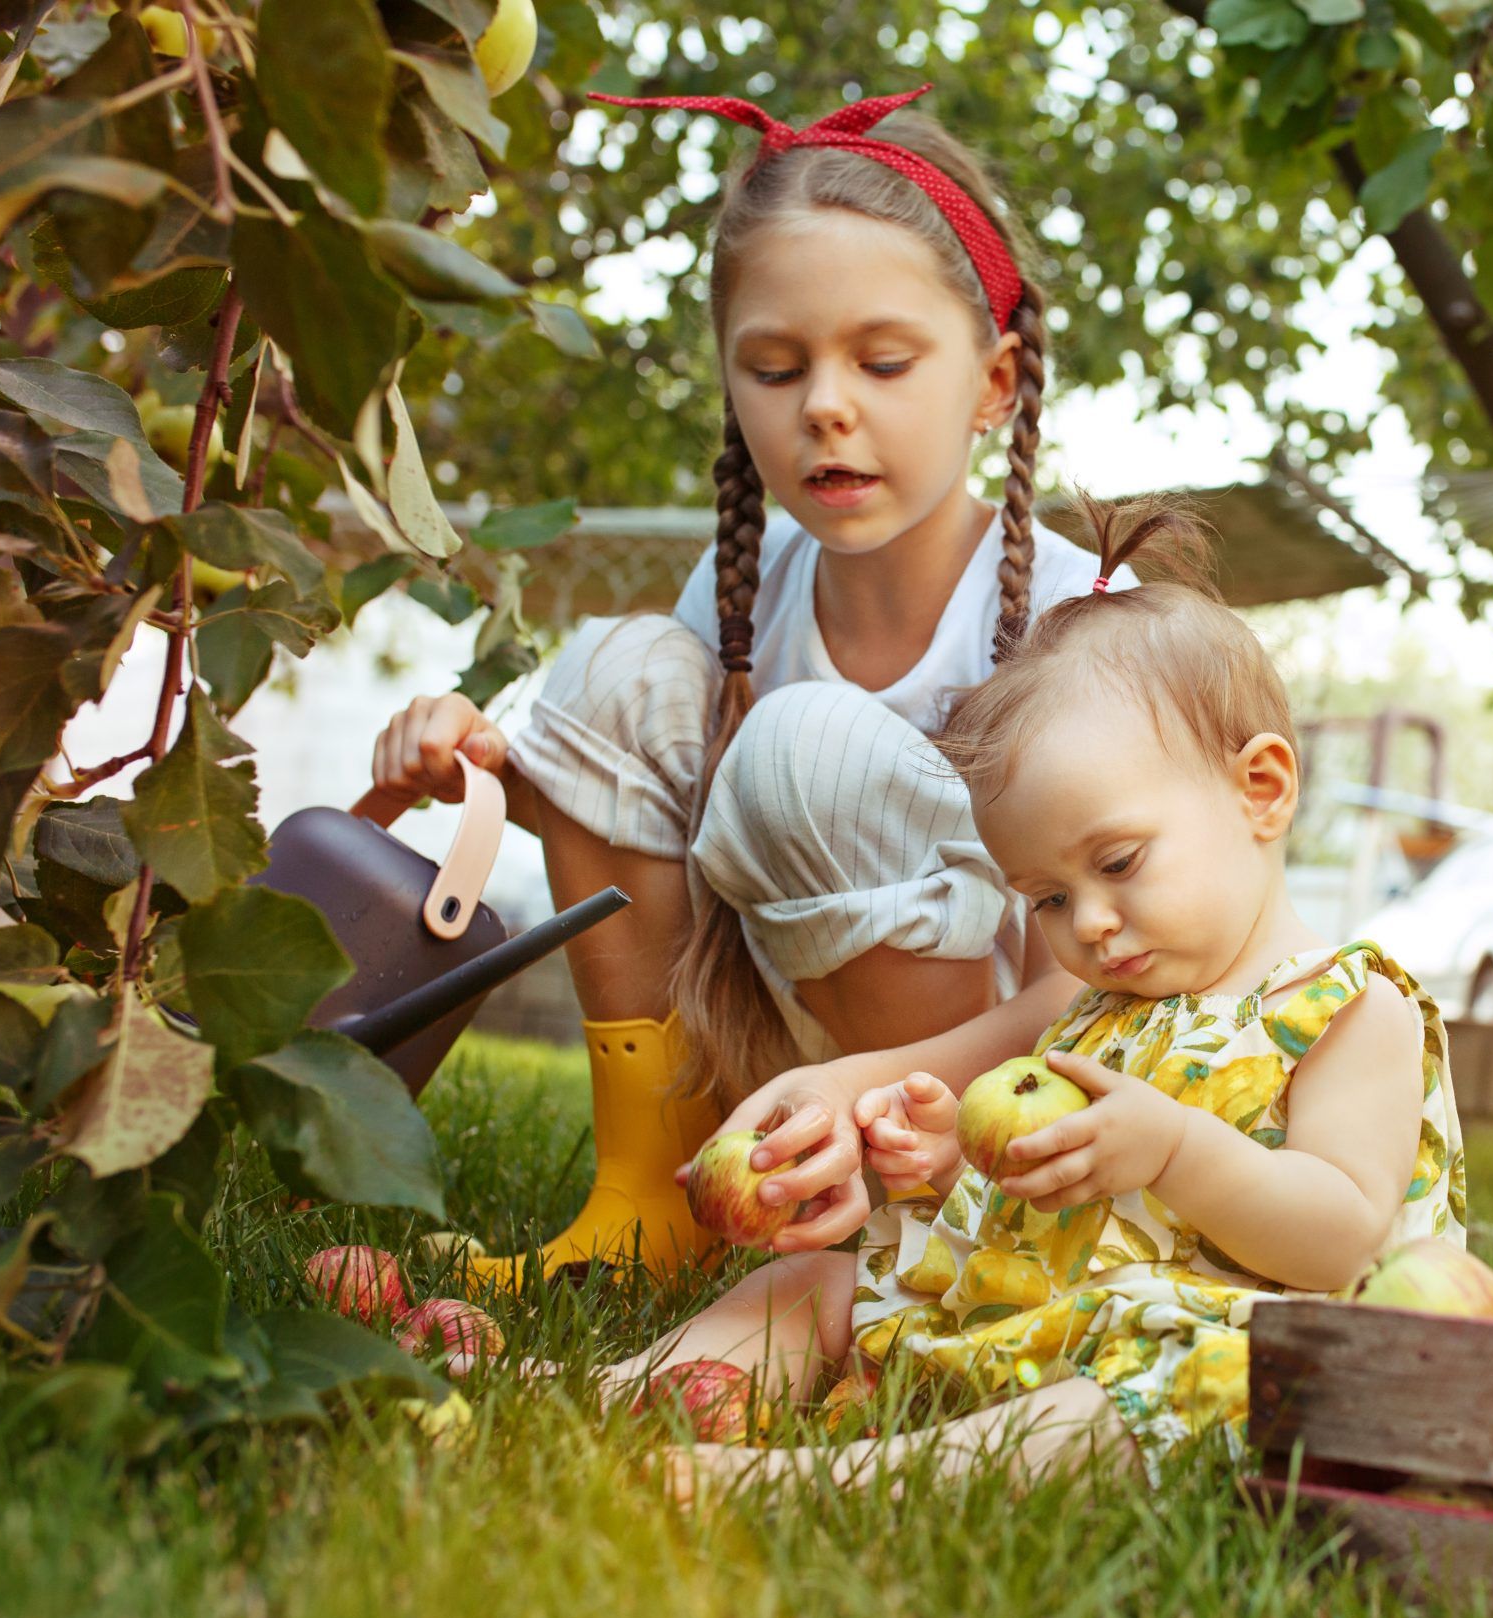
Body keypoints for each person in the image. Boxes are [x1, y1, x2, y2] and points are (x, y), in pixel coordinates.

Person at [367, 84, 1128, 1288]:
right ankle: (655, 1205)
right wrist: (482, 764)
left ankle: (912, 1225)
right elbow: (622, 822)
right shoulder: (744, 591)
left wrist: (864, 1093)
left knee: (804, 748)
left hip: (980, 1102)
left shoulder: (1082, 624)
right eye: (774, 369)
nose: (825, 405)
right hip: (773, 1069)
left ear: (994, 383)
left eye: (883, 362)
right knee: (610, 671)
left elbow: (1093, 1001)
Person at [620, 499, 1469, 1497]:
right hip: (1037, 1320)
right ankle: (620, 1390)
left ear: (1262, 790)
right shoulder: (1102, 1010)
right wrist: (946, 1164)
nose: (1090, 924)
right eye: (1050, 899)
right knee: (817, 1283)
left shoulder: (1350, 1009)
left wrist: (1174, 1148)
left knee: (1199, 1385)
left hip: (1205, 1353)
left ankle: (832, 1483)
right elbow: (1055, 1216)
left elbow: (1343, 1237)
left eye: (1118, 863)